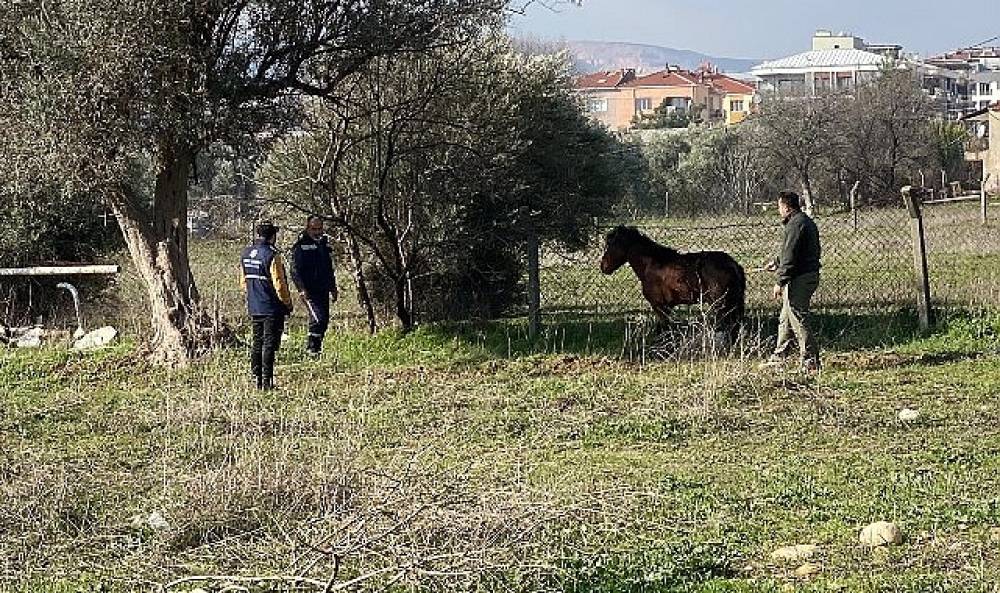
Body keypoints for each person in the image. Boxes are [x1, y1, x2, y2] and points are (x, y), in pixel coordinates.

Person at [762, 191, 822, 372]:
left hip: (801, 277)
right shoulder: (804, 222)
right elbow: (794, 252)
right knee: (786, 317)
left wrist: (780, 281)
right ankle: (780, 356)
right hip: (806, 274)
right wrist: (777, 263)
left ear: (786, 206)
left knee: (797, 315)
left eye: (779, 206)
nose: (778, 210)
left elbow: (790, 256)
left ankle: (810, 360)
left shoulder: (795, 225)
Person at [240, 221, 293, 390]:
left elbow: (243, 282)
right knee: (269, 343)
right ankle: (267, 382)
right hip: (271, 306)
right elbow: (279, 283)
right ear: (273, 236)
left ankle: (255, 378)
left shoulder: (246, 253)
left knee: (257, 341)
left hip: (254, 305)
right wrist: (287, 303)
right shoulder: (272, 255)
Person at [291, 215, 338, 355]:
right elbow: (295, 270)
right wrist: (301, 289)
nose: (317, 232)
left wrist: (333, 287)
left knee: (324, 321)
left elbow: (328, 268)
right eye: (313, 229)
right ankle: (312, 350)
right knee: (318, 319)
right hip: (309, 291)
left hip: (323, 289)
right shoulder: (301, 246)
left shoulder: (323, 245)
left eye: (319, 229)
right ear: (307, 228)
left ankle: (316, 349)